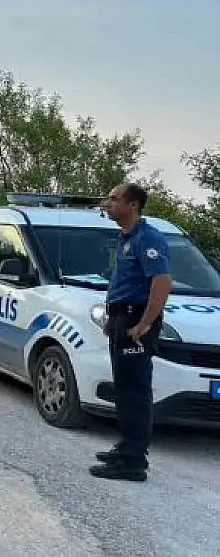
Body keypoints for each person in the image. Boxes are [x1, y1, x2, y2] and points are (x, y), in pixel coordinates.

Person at [91, 182, 172, 482]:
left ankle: (134, 462)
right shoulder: (126, 238)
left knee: (135, 392)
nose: (107, 203)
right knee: (124, 389)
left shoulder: (147, 238)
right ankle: (126, 448)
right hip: (123, 318)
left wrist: (145, 323)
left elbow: (161, 282)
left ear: (133, 205)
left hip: (137, 320)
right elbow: (124, 283)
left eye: (114, 199)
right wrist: (113, 317)